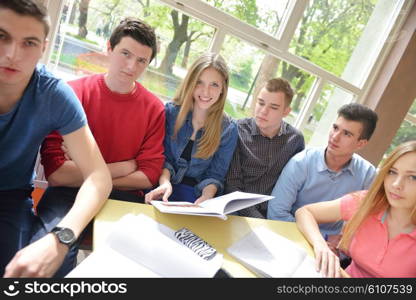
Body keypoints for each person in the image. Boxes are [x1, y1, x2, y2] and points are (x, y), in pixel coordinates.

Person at [34, 17, 165, 276]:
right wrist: (125, 166)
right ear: (109, 48)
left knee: (132, 269)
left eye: (141, 60)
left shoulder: (154, 109)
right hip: (67, 195)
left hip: (124, 199)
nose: (131, 66)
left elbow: (147, 176)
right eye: (125, 53)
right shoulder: (72, 93)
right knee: (50, 256)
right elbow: (58, 173)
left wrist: (87, 172)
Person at [0, 0, 112, 277]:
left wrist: (62, 237)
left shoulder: (54, 95)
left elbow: (99, 177)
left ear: (44, 47)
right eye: (2, 37)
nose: (12, 54)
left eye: (29, 43)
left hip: (9, 200)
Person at [295, 140, 416, 278]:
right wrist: (321, 246)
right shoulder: (368, 203)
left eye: (413, 177)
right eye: (392, 172)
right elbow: (305, 212)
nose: (396, 184)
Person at [267, 103, 378, 237]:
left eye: (347, 134)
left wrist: (340, 243)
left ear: (361, 144)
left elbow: (366, 224)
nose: (335, 137)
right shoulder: (302, 162)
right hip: (292, 236)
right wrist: (320, 241)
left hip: (334, 249)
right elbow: (276, 213)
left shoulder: (368, 175)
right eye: (335, 127)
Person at [145, 53, 238, 204]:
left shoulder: (228, 129)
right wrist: (164, 183)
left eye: (214, 84)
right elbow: (163, 158)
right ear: (190, 83)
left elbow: (215, 176)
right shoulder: (171, 113)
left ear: (223, 89)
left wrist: (207, 197)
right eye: (199, 82)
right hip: (162, 184)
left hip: (195, 195)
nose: (206, 92)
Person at [224, 78, 305, 218]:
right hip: (237, 207)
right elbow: (232, 184)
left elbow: (294, 186)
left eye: (273, 107)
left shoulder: (295, 140)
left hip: (275, 212)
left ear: (286, 111)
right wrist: (258, 218)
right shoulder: (238, 130)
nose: (263, 111)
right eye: (260, 103)